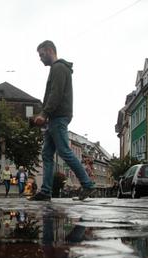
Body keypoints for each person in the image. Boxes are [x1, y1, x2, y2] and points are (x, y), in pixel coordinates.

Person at [29, 41, 95, 202]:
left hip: (58, 116)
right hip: (54, 117)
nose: (40, 59)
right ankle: (45, 191)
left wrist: (44, 113)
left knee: (64, 151)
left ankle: (87, 184)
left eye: (42, 54)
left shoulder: (59, 67)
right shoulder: (57, 68)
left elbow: (55, 93)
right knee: (47, 154)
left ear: (50, 50)